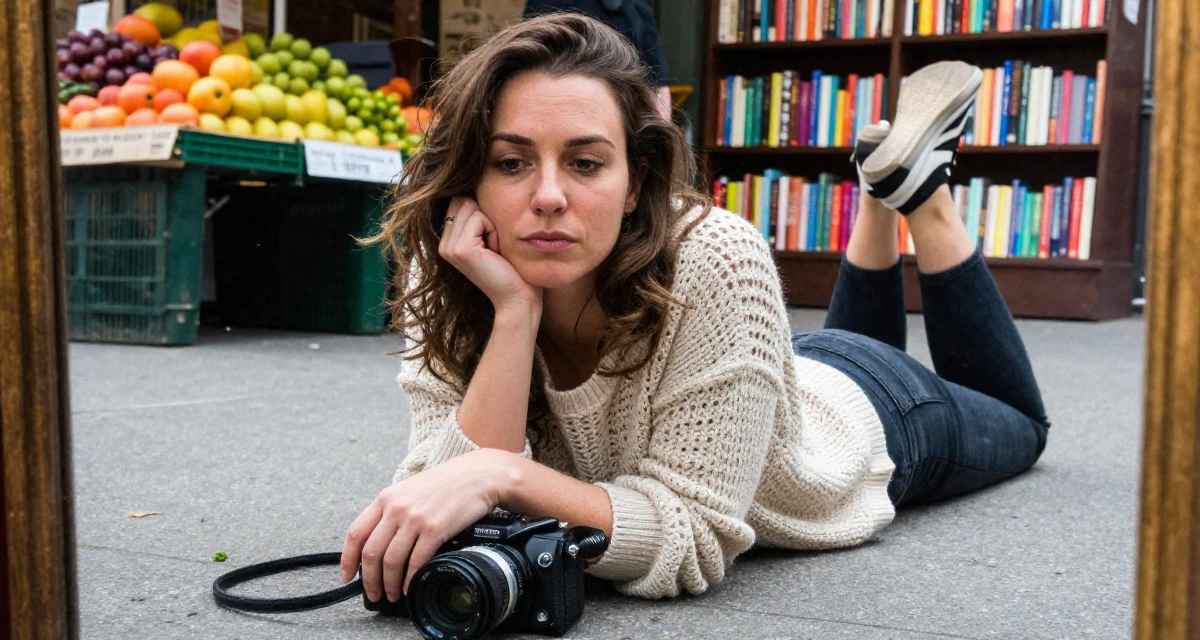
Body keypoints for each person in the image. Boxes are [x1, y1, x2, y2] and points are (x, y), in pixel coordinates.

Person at [339, 13, 1049, 604]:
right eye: (511, 162)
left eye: (585, 163)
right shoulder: (458, 262)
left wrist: (503, 473)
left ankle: (920, 200)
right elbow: (444, 498)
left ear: (634, 177)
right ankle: (878, 192)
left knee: (1021, 422)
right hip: (756, 382)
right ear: (468, 176)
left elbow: (695, 535)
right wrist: (514, 314)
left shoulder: (717, 257)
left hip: (873, 415)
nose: (548, 195)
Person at [524, 0, 674, 121]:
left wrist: (658, 137)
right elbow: (533, 62)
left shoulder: (639, 8)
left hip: (624, 114)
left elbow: (659, 84)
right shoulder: (549, 4)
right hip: (568, 109)